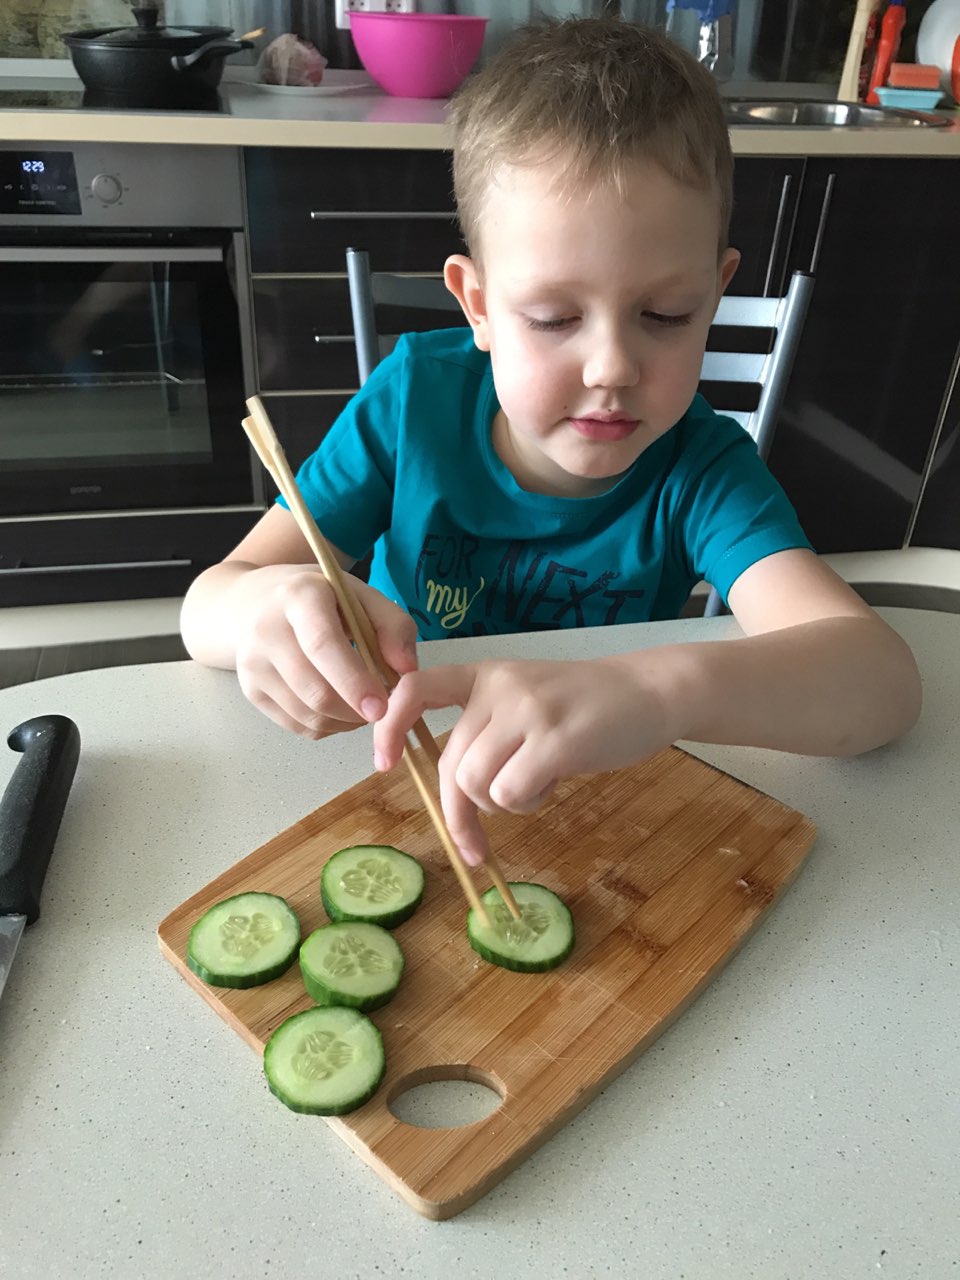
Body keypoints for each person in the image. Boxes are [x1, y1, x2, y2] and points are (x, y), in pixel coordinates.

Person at [180, 18, 921, 866]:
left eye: (666, 315)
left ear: (714, 295)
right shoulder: (413, 405)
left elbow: (882, 682)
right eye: (553, 318)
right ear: (479, 306)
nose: (612, 368)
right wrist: (264, 610)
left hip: (589, 803)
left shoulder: (701, 470)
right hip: (393, 779)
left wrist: (657, 692)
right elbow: (208, 606)